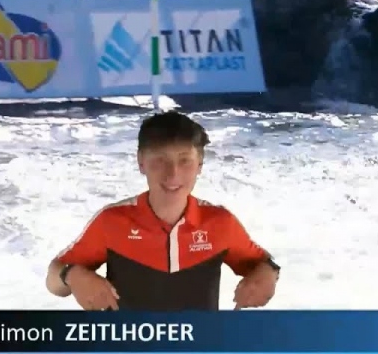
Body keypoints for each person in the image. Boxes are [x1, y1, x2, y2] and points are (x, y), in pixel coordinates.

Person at [44, 111, 280, 311]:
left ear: (200, 165)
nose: (173, 174)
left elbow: (263, 263)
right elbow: (53, 282)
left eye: (184, 160)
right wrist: (72, 275)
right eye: (160, 160)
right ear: (141, 162)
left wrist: (267, 276)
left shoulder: (220, 223)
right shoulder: (112, 221)